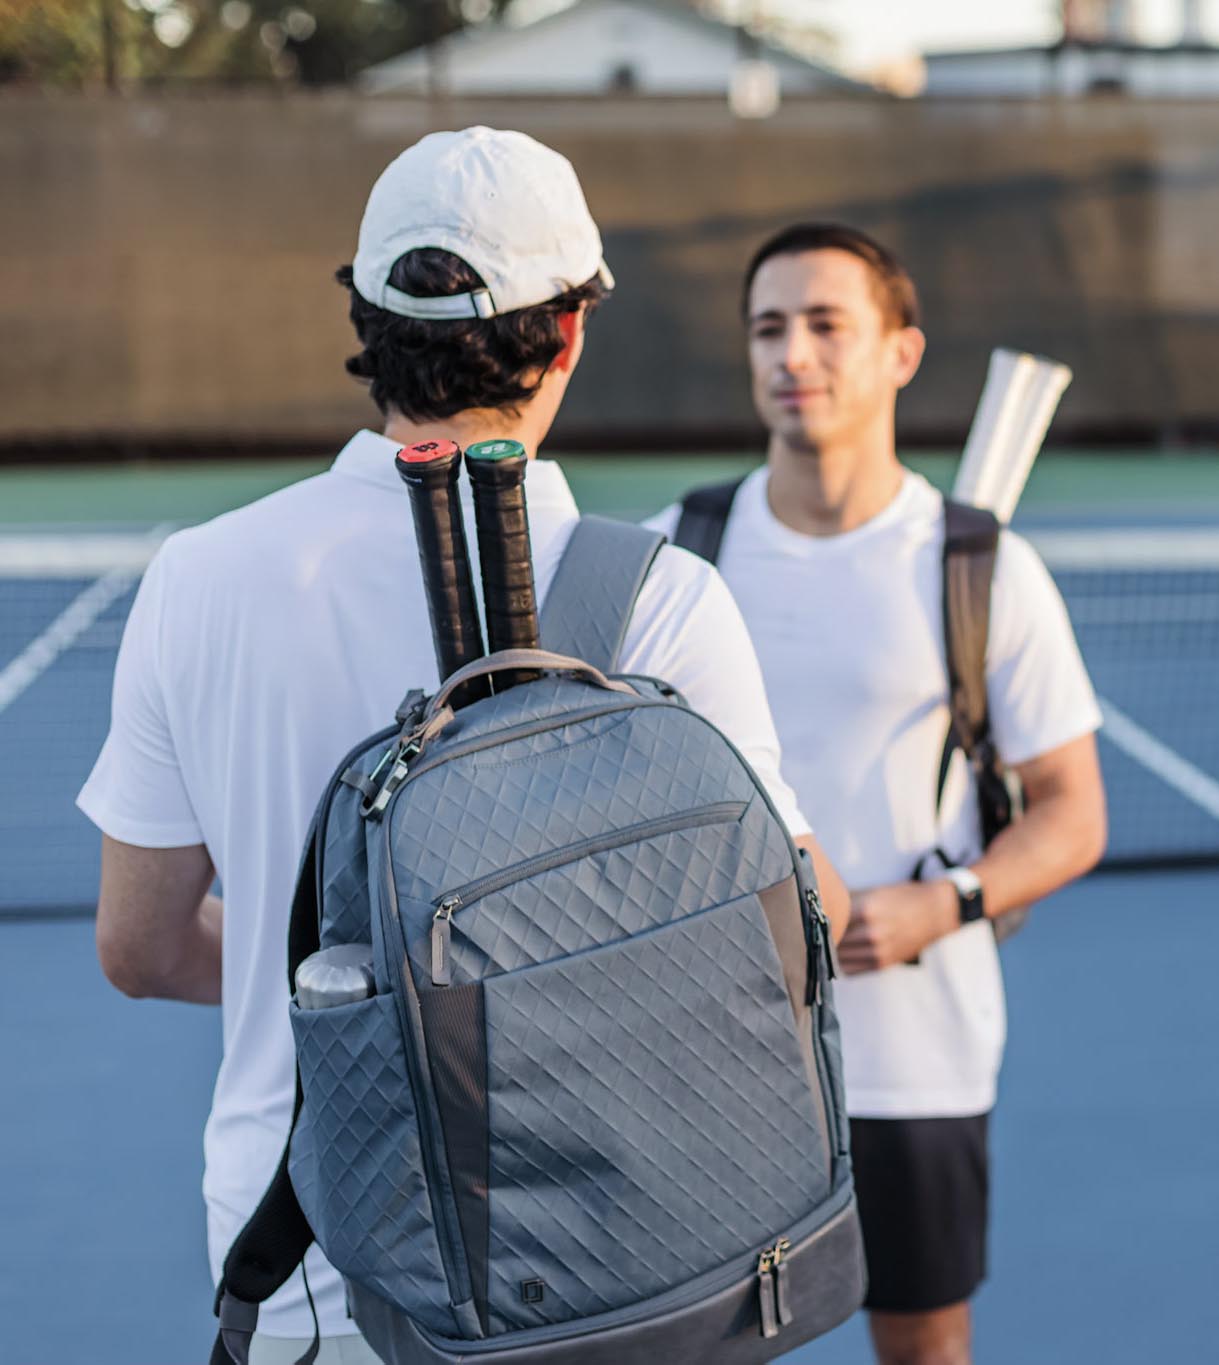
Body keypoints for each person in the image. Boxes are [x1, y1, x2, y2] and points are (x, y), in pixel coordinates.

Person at [77, 131, 848, 1365]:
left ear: (367, 320)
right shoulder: (664, 600)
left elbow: (140, 945)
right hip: (609, 1276)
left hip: (306, 1280)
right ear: (573, 333)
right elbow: (801, 927)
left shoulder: (197, 583)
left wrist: (357, 998)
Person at [649, 223, 1107, 1365]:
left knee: (923, 1342)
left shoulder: (977, 566)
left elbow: (1072, 810)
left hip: (918, 1058)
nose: (792, 353)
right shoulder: (679, 555)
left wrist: (940, 905)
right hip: (713, 1056)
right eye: (769, 328)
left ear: (901, 354)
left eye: (824, 325)